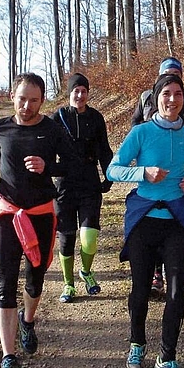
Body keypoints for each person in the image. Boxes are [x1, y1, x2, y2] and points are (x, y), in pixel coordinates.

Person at [0, 72, 77, 368]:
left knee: (35, 277)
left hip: (40, 212)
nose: (27, 105)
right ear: (12, 96)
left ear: (42, 101)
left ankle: (28, 321)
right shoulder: (1, 126)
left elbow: (73, 163)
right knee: (6, 282)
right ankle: (9, 360)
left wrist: (50, 168)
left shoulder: (51, 129)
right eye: (22, 98)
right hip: (7, 210)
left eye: (34, 100)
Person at [107, 73, 184, 368]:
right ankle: (137, 343)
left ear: (183, 100)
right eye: (166, 94)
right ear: (156, 98)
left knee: (177, 291)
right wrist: (142, 172)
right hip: (144, 220)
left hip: (176, 219)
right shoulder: (141, 132)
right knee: (141, 289)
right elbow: (113, 169)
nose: (172, 100)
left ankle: (168, 358)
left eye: (177, 94)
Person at [131, 57, 184, 300]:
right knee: (151, 220)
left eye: (177, 72)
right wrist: (151, 133)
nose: (172, 98)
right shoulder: (146, 97)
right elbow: (134, 123)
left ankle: (172, 265)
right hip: (151, 170)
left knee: (175, 220)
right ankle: (155, 273)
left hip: (179, 172)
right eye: (168, 72)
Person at [50, 73, 113, 303]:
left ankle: (86, 272)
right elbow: (46, 150)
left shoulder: (96, 118)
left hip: (89, 182)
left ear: (87, 93)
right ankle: (68, 284)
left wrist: (108, 175)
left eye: (83, 91)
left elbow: (105, 149)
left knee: (89, 237)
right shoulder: (57, 117)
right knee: (66, 238)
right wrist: (48, 175)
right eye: (76, 91)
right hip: (64, 184)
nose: (80, 95)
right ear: (69, 93)